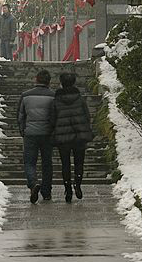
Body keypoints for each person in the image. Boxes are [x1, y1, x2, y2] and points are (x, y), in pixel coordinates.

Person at [52, 72, 95, 202]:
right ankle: (78, 184)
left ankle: (68, 189)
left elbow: (52, 119)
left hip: (63, 137)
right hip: (79, 136)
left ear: (61, 83)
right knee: (79, 162)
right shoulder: (80, 99)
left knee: (65, 163)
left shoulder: (56, 100)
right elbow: (87, 116)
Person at [18, 69, 56, 203]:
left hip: (30, 134)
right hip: (47, 134)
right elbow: (55, 115)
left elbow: (21, 116)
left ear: (36, 79)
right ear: (49, 82)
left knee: (29, 162)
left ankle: (33, 184)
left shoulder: (25, 95)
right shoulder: (53, 96)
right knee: (47, 163)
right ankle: (46, 192)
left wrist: (23, 131)